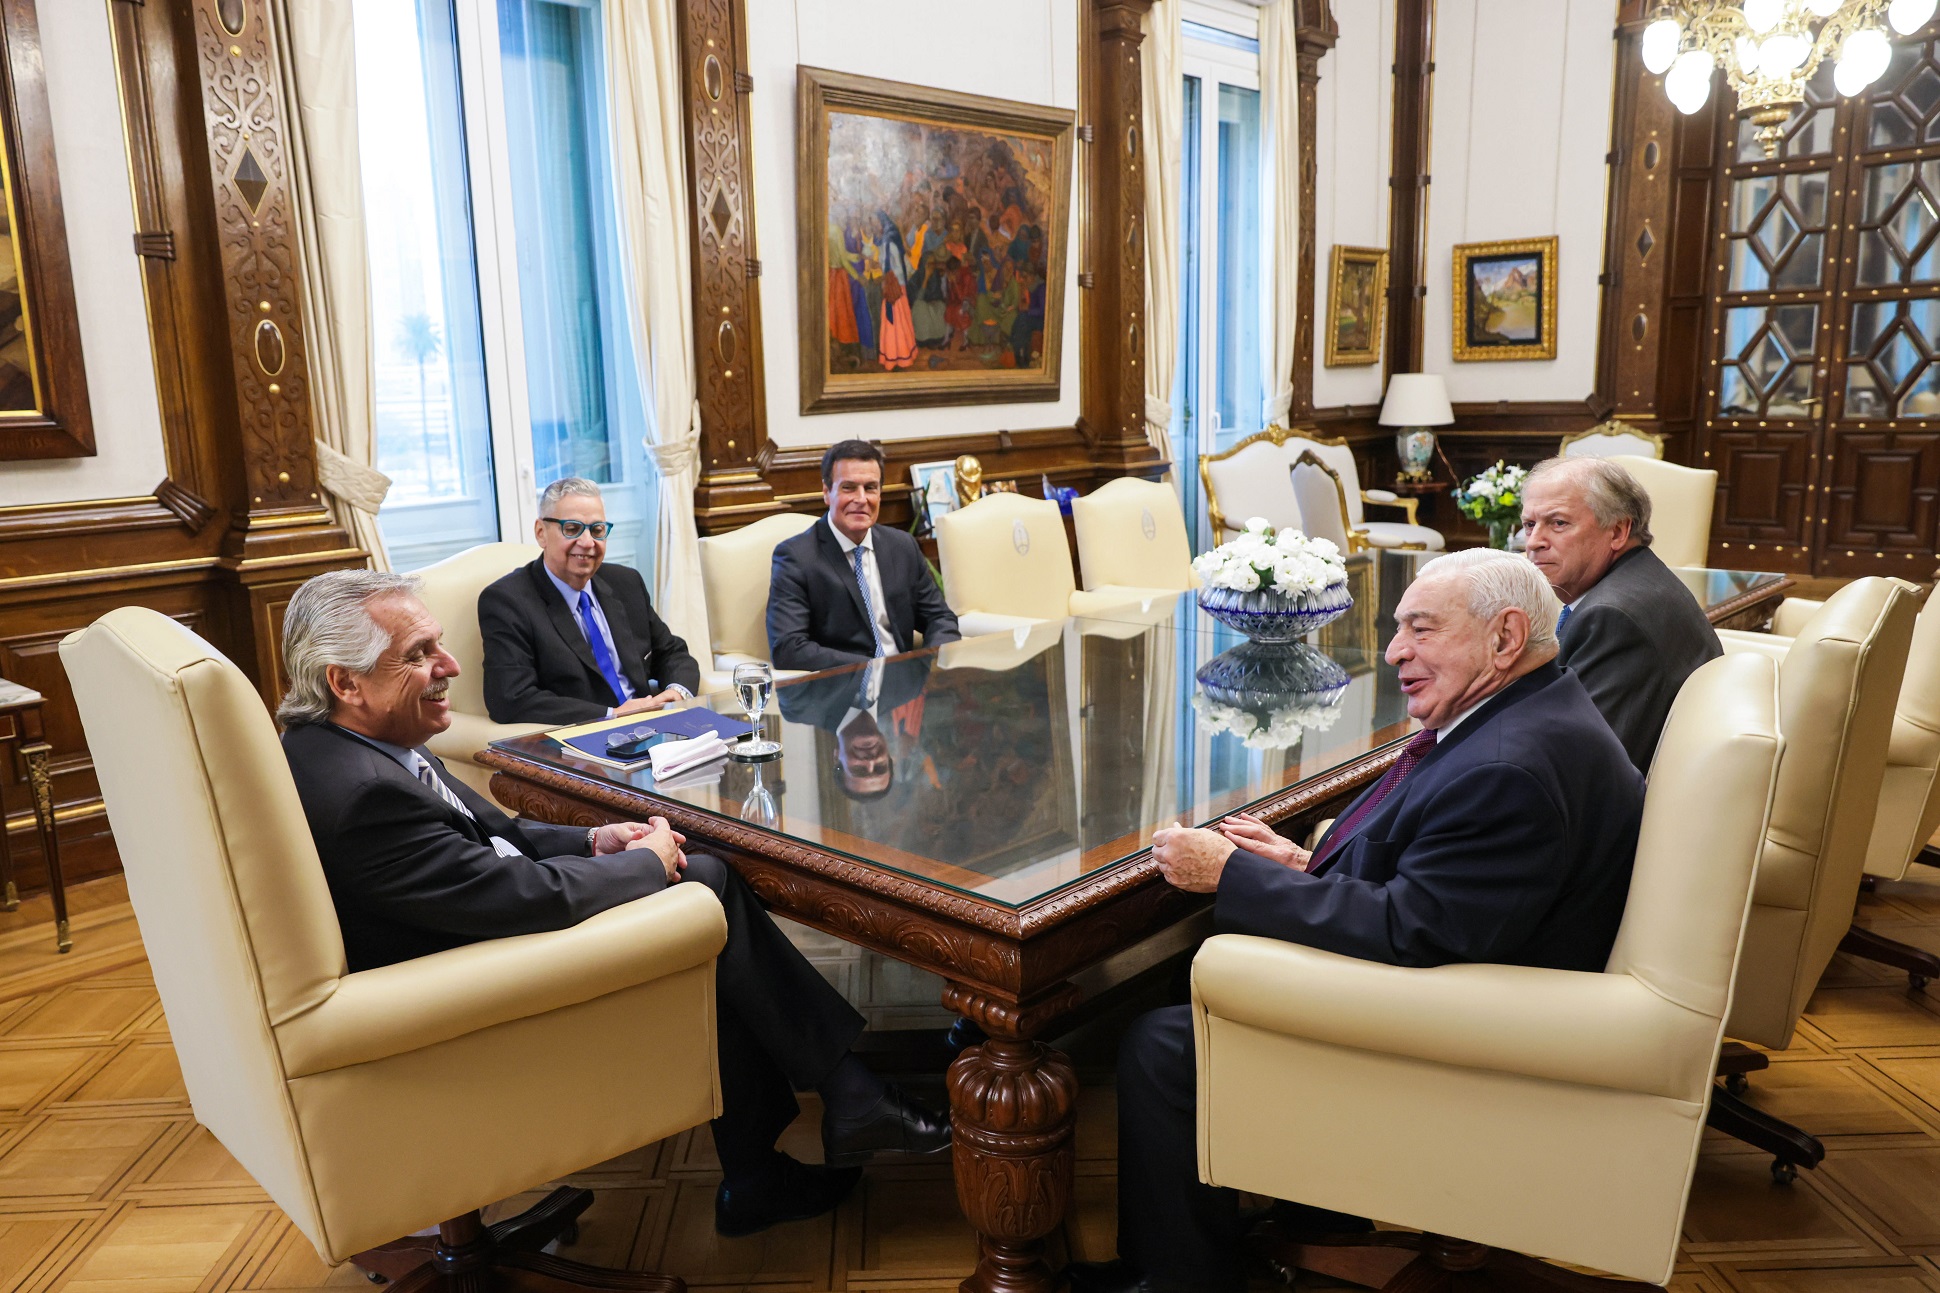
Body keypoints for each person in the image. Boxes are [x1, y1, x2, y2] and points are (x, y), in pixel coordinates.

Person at [277, 570, 950, 1238]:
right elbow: (514, 895)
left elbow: (495, 835)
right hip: (467, 1001)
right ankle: (838, 1102)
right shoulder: (366, 794)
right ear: (345, 680)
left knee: (705, 919)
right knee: (703, 886)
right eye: (420, 654)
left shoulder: (345, 744)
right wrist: (642, 863)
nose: (449, 665)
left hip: (473, 933)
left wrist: (595, 838)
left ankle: (788, 1146)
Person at [1068, 550, 1645, 1293]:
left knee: (1164, 1042)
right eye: (1398, 629)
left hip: (1470, 1045)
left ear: (1505, 638)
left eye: (1421, 630)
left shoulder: (1509, 765)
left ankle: (1180, 1278)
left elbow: (1410, 931)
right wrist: (1305, 864)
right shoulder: (1531, 710)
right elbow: (1443, 880)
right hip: (1492, 985)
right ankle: (1314, 1224)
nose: (1395, 651)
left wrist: (1231, 874)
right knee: (1194, 984)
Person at [1520, 455, 1722, 772]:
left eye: (1558, 523)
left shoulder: (1612, 618)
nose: (1533, 542)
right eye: (1529, 525)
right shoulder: (1639, 579)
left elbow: (1577, 765)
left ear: (1617, 532)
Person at [480, 477, 700, 726]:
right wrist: (612, 715)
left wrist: (677, 692)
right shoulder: (507, 602)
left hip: (653, 727)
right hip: (580, 740)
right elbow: (511, 699)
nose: (587, 543)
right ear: (541, 533)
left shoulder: (625, 582)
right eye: (572, 529)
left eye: (597, 530)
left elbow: (672, 652)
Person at [768, 440, 961, 672]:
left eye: (870, 487)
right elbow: (789, 649)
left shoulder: (902, 546)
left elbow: (940, 618)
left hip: (905, 694)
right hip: (840, 694)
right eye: (848, 487)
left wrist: (928, 666)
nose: (861, 499)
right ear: (827, 492)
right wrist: (875, 670)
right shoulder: (796, 557)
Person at [777, 655, 932, 801]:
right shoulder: (910, 687)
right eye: (880, 767)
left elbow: (788, 643)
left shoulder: (800, 705)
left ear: (837, 757)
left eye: (859, 770)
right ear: (888, 756)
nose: (871, 761)